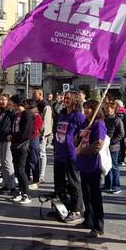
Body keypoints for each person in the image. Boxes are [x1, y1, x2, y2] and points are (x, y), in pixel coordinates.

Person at [74, 99, 108, 238]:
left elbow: (97, 145)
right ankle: (88, 220)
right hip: (83, 164)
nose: (86, 110)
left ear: (96, 110)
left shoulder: (99, 124)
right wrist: (79, 135)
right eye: (85, 107)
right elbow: (76, 140)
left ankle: (98, 226)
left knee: (95, 197)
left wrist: (81, 151)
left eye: (89, 108)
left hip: (93, 165)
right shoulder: (85, 123)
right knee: (86, 195)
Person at [53, 92, 86, 224]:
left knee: (73, 183)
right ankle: (63, 207)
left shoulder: (78, 116)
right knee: (59, 183)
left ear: (74, 100)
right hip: (59, 153)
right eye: (64, 98)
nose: (65, 100)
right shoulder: (62, 114)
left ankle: (77, 210)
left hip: (71, 154)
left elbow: (85, 130)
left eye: (68, 98)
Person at [9, 96, 35, 204]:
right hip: (15, 145)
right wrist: (10, 135)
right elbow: (13, 127)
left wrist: (14, 137)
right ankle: (20, 191)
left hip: (22, 145)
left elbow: (26, 133)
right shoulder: (16, 115)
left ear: (17, 104)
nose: (11, 106)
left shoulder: (26, 114)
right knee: (17, 170)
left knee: (21, 170)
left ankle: (26, 194)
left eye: (12, 103)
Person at [0, 95, 17, 193]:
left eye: (3, 100)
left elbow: (14, 124)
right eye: (0, 99)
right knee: (3, 162)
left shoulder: (11, 112)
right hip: (0, 138)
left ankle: (12, 186)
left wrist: (10, 134)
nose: (1, 101)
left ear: (9, 101)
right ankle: (5, 184)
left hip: (8, 139)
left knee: (7, 162)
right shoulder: (2, 112)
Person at [102, 101, 126, 194]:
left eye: (110, 109)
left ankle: (116, 186)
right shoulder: (105, 119)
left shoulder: (117, 119)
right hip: (105, 146)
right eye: (107, 109)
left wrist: (111, 142)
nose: (108, 110)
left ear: (114, 110)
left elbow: (121, 133)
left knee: (114, 166)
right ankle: (107, 185)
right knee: (106, 166)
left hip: (113, 147)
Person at [32, 88, 52, 190]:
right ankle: (36, 173)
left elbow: (46, 121)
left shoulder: (46, 106)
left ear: (40, 94)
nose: (33, 95)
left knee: (41, 153)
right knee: (36, 153)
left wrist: (43, 134)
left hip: (41, 134)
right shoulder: (36, 104)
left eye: (35, 94)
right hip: (35, 133)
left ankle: (41, 175)